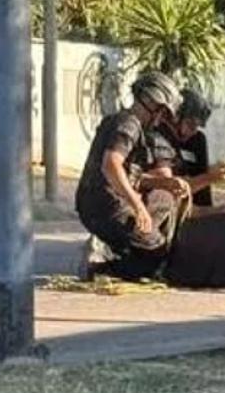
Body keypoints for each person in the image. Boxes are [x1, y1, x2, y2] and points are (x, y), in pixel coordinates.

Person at [75, 72, 191, 280]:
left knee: (164, 198)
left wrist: (165, 183)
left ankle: (118, 248)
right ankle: (101, 265)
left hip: (99, 203)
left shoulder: (124, 123)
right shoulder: (128, 124)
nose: (159, 120)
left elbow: (127, 175)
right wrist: (138, 208)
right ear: (149, 101)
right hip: (106, 207)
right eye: (161, 112)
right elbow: (111, 166)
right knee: (156, 253)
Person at [148, 88, 225, 209]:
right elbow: (170, 188)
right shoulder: (158, 138)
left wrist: (217, 172)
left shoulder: (196, 140)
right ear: (175, 117)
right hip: (170, 211)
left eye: (197, 127)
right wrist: (211, 177)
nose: (193, 132)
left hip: (194, 208)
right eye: (191, 124)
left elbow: (201, 184)